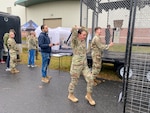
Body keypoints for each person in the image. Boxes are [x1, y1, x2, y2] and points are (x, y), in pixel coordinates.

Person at [68, 26, 95, 106]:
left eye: (85, 35)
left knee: (90, 79)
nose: (85, 36)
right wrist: (75, 28)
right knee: (74, 82)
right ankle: (70, 95)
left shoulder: (83, 41)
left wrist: (82, 28)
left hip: (84, 65)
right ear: (78, 35)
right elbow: (73, 31)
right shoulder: (75, 41)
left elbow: (86, 31)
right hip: (76, 66)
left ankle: (88, 95)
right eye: (83, 35)